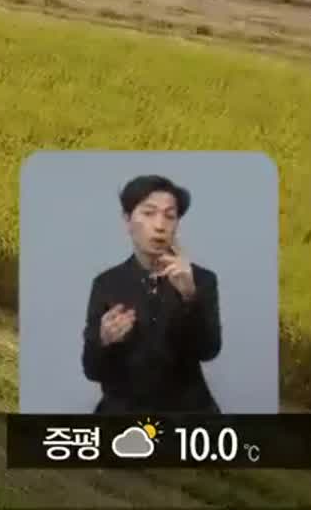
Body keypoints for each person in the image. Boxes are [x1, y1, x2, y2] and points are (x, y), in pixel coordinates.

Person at [81, 174, 222, 414]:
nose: (160, 225)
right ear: (127, 220)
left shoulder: (201, 280)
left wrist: (189, 296)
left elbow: (208, 350)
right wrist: (103, 340)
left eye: (170, 216)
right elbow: (92, 371)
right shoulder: (106, 284)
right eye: (148, 213)